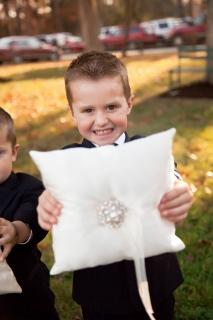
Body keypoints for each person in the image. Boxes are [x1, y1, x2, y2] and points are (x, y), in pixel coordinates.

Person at [37, 51, 193, 320]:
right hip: (99, 290)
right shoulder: (68, 159)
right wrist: (46, 203)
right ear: (72, 112)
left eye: (111, 107)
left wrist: (178, 188)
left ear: (129, 103)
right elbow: (56, 195)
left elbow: (170, 174)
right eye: (88, 110)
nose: (101, 120)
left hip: (156, 280)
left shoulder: (146, 149)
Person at [0, 107, 60, 320]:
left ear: (14, 152)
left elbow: (31, 218)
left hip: (27, 291)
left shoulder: (28, 187)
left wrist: (15, 230)